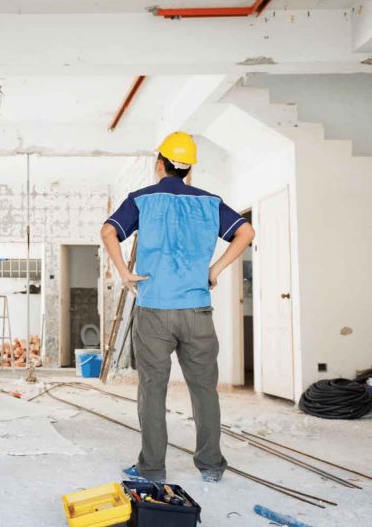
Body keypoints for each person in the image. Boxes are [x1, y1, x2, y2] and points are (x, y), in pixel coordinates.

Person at [100, 131, 255, 484]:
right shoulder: (210, 202)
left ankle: (152, 469)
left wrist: (125, 272)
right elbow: (245, 232)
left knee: (152, 390)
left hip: (154, 310)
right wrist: (213, 270)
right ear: (189, 171)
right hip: (197, 309)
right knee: (204, 390)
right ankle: (211, 467)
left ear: (160, 165)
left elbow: (108, 231)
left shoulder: (141, 200)